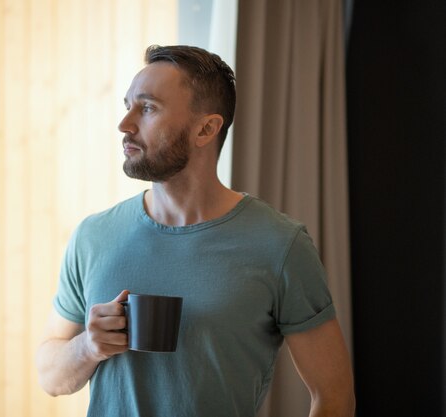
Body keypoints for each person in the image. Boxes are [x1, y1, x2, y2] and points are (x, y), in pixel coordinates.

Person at [36, 45, 355, 417]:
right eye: (128, 106)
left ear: (206, 128)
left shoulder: (280, 245)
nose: (125, 125)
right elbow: (50, 376)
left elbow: (334, 397)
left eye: (148, 108)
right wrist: (88, 346)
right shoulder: (93, 237)